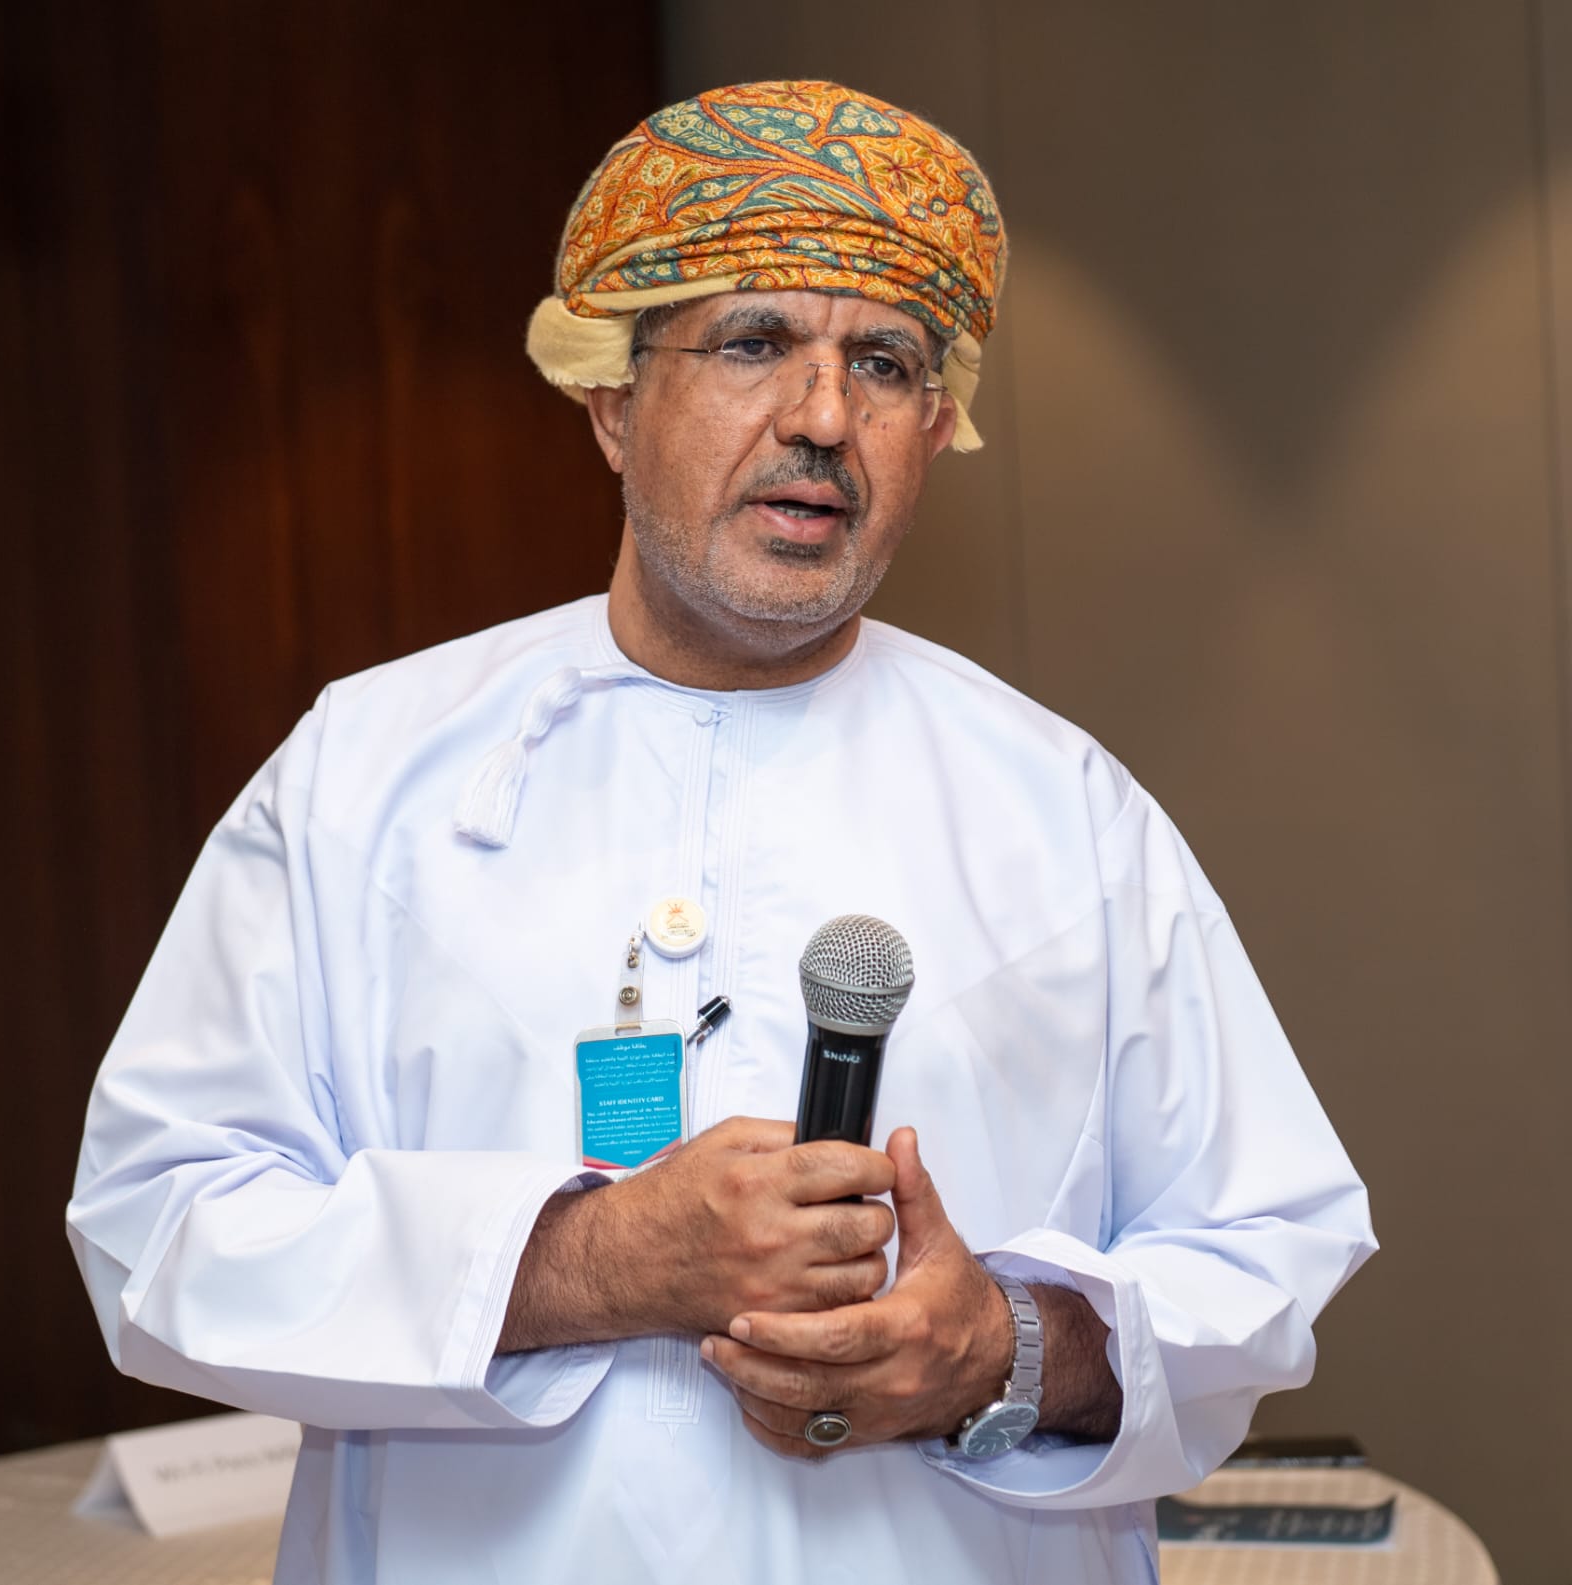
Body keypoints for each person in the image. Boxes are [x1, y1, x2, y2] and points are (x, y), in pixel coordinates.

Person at [67, 80, 1374, 1584]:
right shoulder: (367, 775)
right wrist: (589, 1264)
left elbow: (1263, 1255)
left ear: (935, 425)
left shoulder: (1065, 809)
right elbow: (157, 1227)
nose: (822, 418)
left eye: (884, 363)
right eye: (755, 342)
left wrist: (1003, 1350)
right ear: (614, 403)